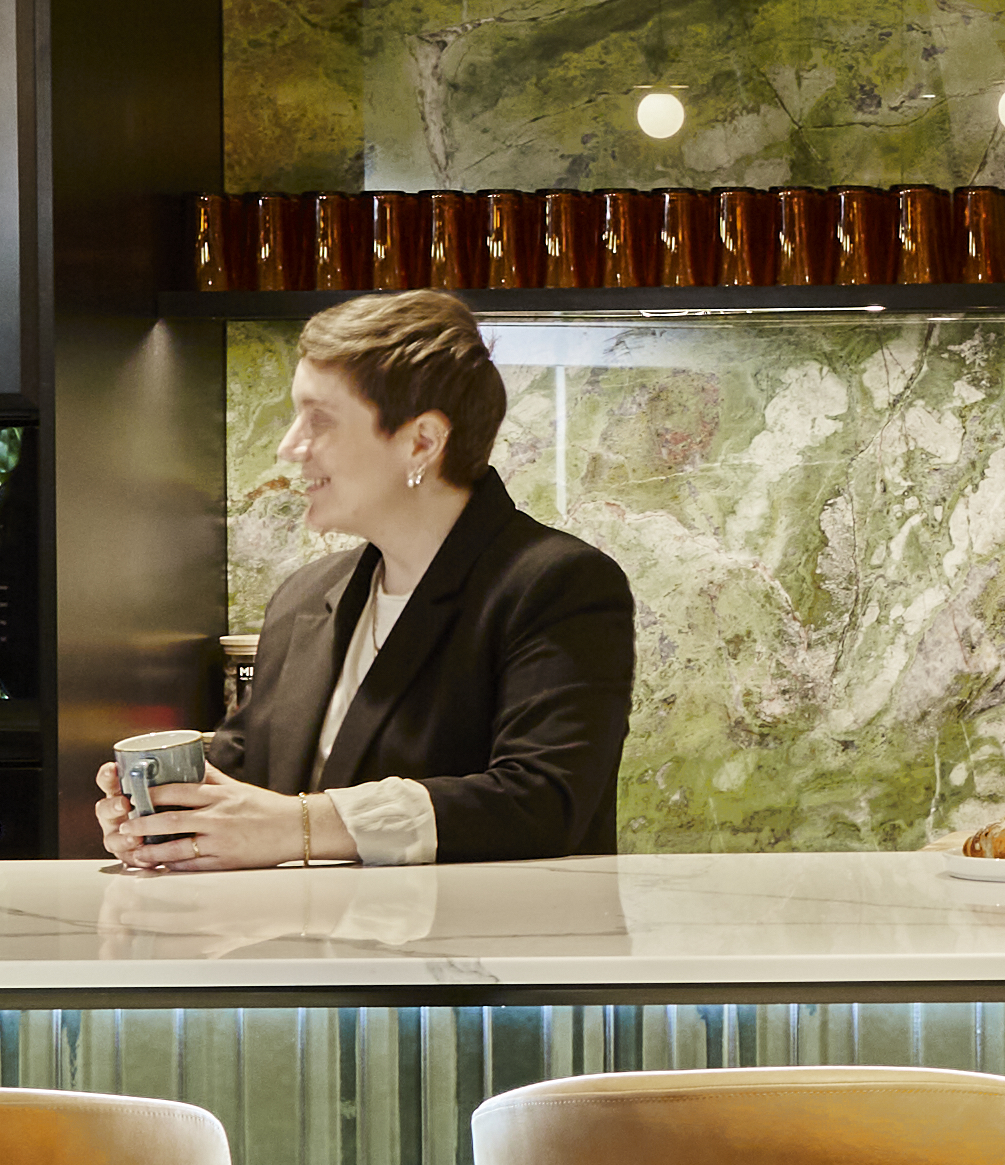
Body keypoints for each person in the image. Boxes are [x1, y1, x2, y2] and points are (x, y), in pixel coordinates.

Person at [111, 288, 632, 869]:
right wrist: (169, 814)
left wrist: (297, 826)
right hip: (306, 952)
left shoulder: (558, 584)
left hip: (477, 955)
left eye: (320, 420)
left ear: (422, 442)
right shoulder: (305, 596)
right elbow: (242, 776)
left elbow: (543, 801)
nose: (288, 447)